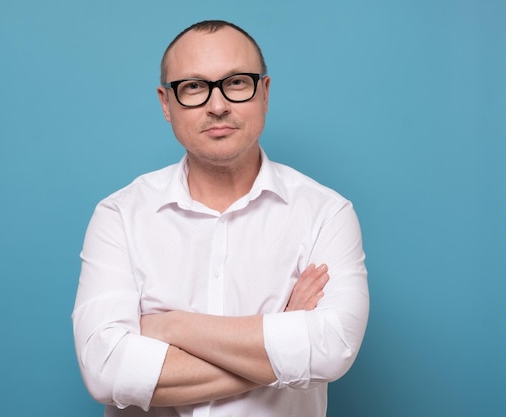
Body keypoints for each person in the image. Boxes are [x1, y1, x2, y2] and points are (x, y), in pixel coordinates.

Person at [72, 19, 369, 417]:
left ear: (264, 93)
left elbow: (332, 351)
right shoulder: (119, 215)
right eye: (193, 87)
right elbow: (106, 373)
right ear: (166, 103)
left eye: (236, 83)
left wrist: (171, 327)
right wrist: (282, 336)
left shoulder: (326, 213)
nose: (217, 105)